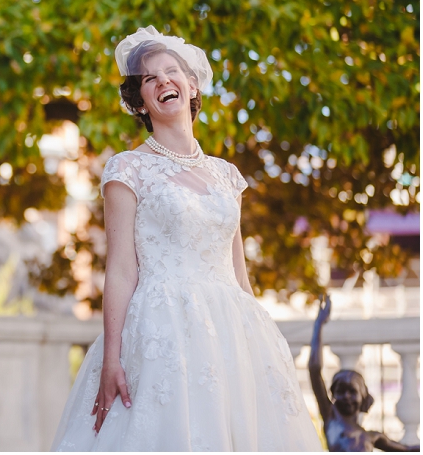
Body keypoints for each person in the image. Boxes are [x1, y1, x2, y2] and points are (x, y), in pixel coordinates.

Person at [52, 26, 323, 451]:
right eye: (148, 78)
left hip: (230, 332)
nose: (162, 80)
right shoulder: (127, 170)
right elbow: (121, 269)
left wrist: (259, 342)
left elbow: (239, 273)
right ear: (140, 100)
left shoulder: (227, 175)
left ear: (191, 85)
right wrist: (112, 359)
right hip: (161, 332)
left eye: (171, 71)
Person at [309, 294, 419, 452]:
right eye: (341, 391)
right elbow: (314, 369)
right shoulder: (331, 418)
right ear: (332, 395)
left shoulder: (372, 437)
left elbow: (408, 450)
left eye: (352, 391)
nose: (346, 396)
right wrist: (318, 324)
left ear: (363, 398)